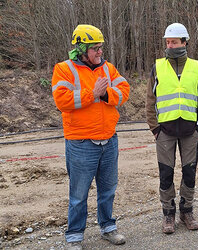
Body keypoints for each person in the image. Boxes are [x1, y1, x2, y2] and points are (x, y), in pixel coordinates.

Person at [52, 24, 130, 249]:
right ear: (81, 50)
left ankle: (107, 227)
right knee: (78, 194)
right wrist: (92, 93)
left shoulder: (108, 68)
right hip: (81, 143)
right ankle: (75, 236)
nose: (100, 52)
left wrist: (105, 93)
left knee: (108, 190)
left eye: (100, 48)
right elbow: (62, 101)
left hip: (109, 140)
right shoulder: (64, 69)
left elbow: (124, 91)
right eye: (95, 48)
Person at [145, 23, 198, 234]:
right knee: (166, 173)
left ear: (184, 42)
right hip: (165, 131)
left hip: (190, 131)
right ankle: (168, 214)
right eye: (167, 42)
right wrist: (155, 128)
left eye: (174, 42)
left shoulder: (197, 67)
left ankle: (186, 210)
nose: (170, 46)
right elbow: (150, 100)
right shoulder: (158, 67)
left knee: (189, 173)